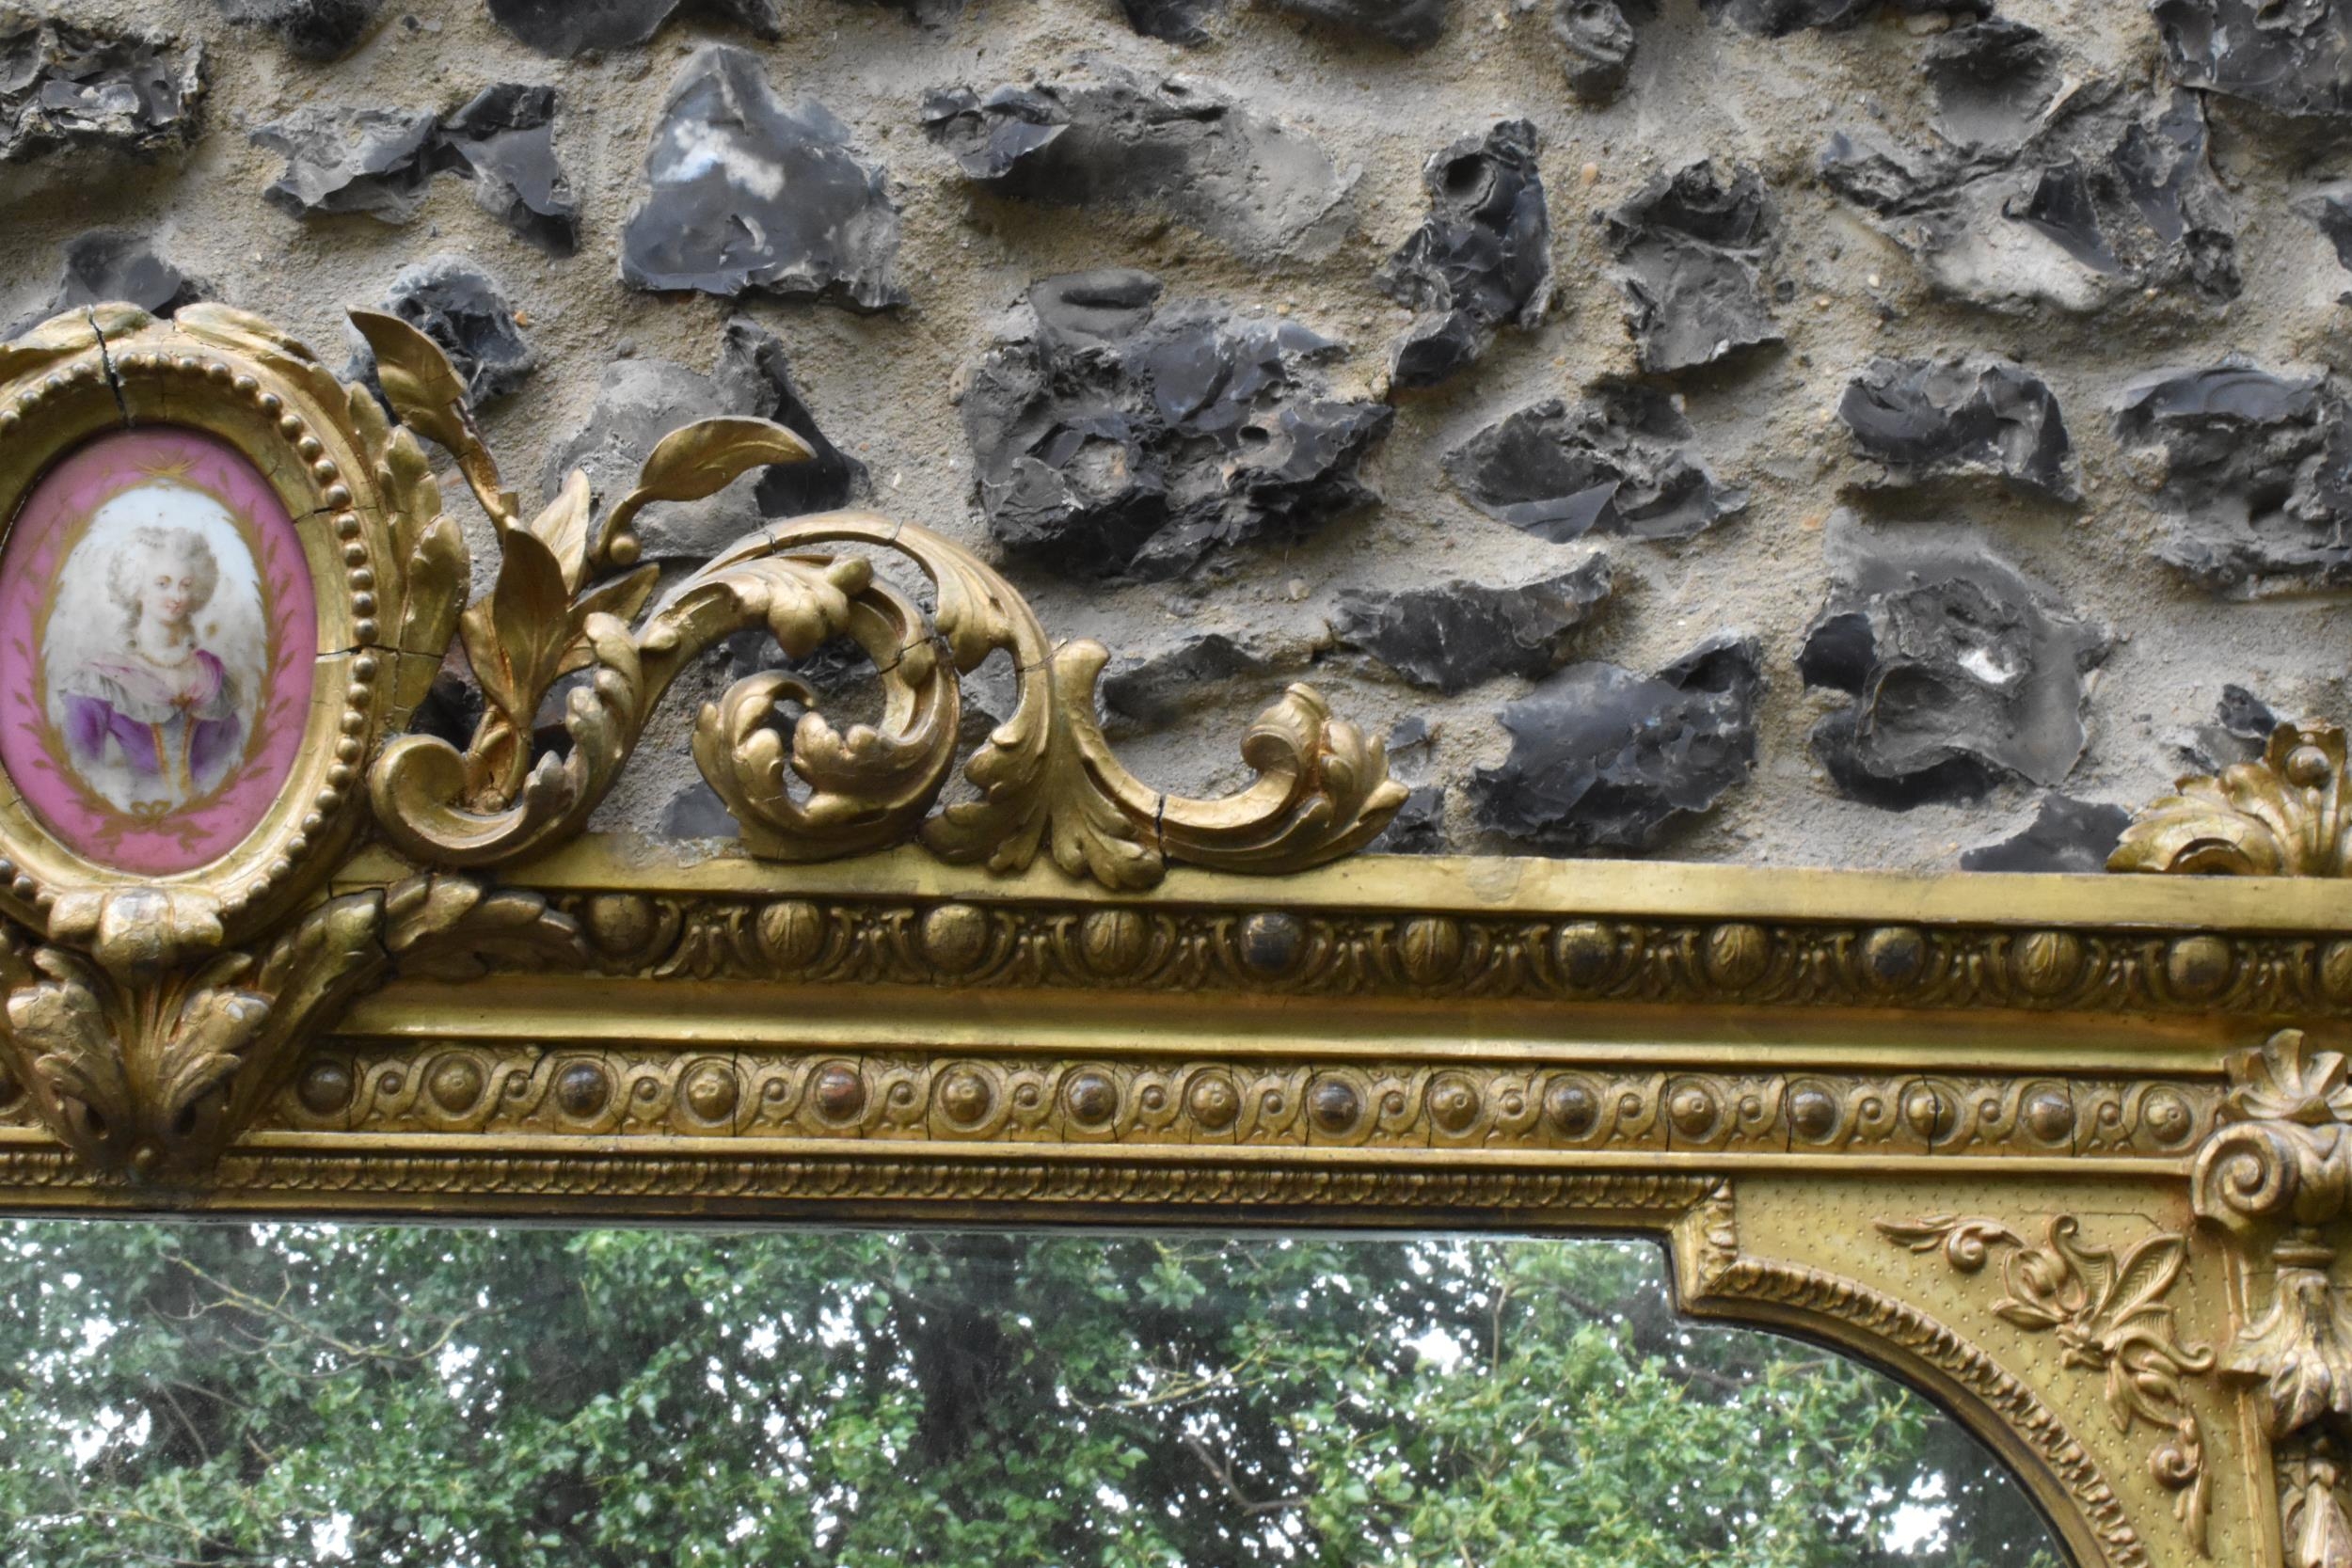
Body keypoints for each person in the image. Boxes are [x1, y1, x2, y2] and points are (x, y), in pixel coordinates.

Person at [58, 524, 244, 809]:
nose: (177, 596)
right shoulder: (99, 680)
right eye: (163, 583)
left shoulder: (213, 677)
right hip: (128, 828)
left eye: (186, 585)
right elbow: (79, 774)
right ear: (137, 588)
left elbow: (235, 766)